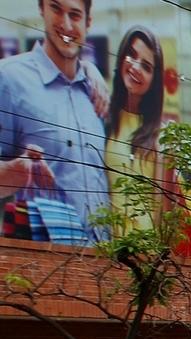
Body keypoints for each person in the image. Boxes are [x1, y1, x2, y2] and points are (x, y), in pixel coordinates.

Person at [0, 0, 112, 232]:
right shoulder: (9, 79)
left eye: (75, 15)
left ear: (88, 22)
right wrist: (14, 173)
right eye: (56, 9)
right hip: (43, 262)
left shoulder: (95, 93)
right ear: (42, 10)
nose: (66, 24)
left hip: (104, 259)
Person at [104, 26, 166, 229]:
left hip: (143, 250)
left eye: (147, 66)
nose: (136, 67)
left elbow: (160, 211)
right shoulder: (104, 118)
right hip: (106, 246)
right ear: (122, 56)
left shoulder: (160, 136)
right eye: (131, 55)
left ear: (154, 81)